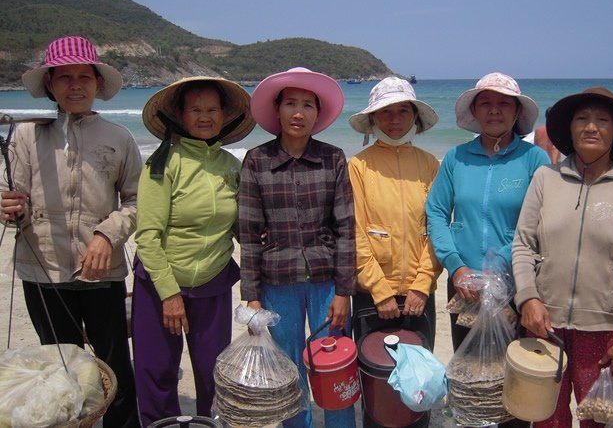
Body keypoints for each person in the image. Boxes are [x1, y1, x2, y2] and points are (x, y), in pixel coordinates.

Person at [0, 36, 141, 427]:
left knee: (115, 366)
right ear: (50, 85)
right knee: (62, 369)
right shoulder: (27, 136)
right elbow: (12, 197)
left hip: (102, 271)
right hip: (42, 268)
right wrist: (8, 208)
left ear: (97, 84)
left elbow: (135, 201)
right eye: (64, 77)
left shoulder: (118, 137)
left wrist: (105, 236)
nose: (75, 85)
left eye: (84, 76)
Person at [511, 87, 613, 428]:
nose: (591, 127)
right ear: (570, 129)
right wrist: (528, 298)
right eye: (582, 119)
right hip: (544, 326)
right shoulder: (545, 178)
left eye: (602, 120)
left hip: (605, 333)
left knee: (598, 421)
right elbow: (522, 245)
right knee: (547, 418)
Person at [425, 72, 550, 428]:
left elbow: (538, 222)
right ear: (475, 111)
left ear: (516, 112)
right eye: (486, 103)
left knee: (513, 379)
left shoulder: (534, 160)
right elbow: (435, 211)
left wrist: (502, 268)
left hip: (516, 287)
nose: (494, 110)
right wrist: (457, 267)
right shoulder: (456, 158)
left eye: (503, 103)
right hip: (463, 286)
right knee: (471, 375)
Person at [132, 76, 255, 426]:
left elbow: (237, 226)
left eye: (212, 109)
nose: (205, 117)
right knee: (156, 371)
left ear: (224, 115)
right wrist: (169, 295)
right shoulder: (162, 164)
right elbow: (147, 237)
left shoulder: (232, 166)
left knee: (213, 371)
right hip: (159, 286)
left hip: (213, 284)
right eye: (196, 110)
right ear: (181, 116)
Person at [239, 67, 356, 428]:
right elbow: (248, 231)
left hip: (326, 281)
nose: (299, 113)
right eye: (291, 103)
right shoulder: (257, 160)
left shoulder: (333, 158)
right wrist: (252, 296)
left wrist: (344, 290)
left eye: (308, 105)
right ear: (278, 110)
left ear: (318, 115)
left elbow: (346, 227)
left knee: (333, 365)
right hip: (277, 281)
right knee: (287, 368)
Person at [347, 76, 442, 352]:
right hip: (372, 293)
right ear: (374, 118)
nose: (395, 119)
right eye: (385, 111)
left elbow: (437, 228)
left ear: (415, 116)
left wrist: (423, 284)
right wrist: (379, 289)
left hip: (419, 293)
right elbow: (355, 231)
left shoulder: (429, 164)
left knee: (419, 380)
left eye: (403, 110)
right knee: (376, 377)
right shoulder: (359, 165)